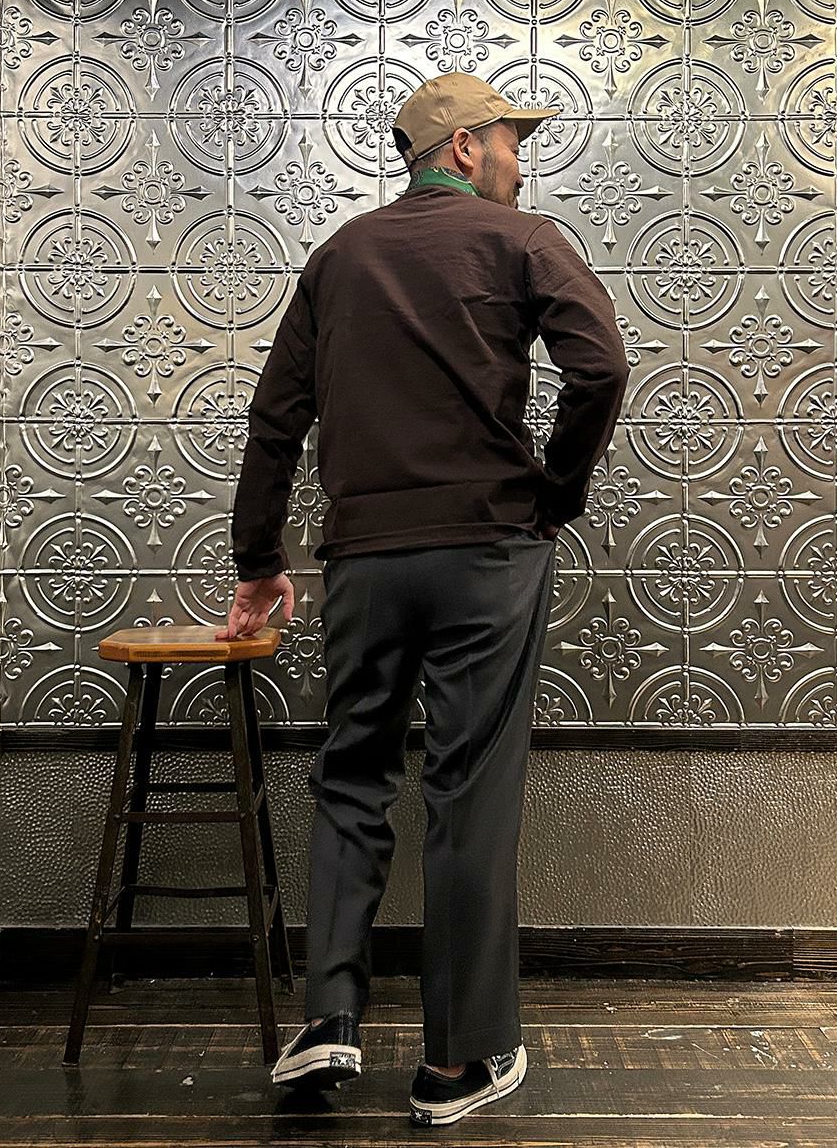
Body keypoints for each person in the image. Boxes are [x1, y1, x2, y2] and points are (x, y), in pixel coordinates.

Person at [217, 73, 629, 1127]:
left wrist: (258, 557)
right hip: (488, 550)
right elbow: (600, 366)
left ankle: (329, 1017)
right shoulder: (523, 239)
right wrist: (555, 493)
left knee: (352, 772)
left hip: (365, 557)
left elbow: (276, 417)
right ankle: (458, 1062)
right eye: (511, 142)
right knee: (468, 788)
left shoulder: (339, 256)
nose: (521, 163)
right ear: (465, 147)